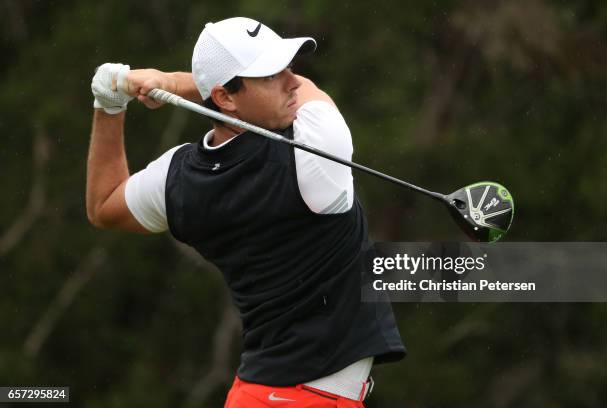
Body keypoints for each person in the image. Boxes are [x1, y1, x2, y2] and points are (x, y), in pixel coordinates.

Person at [87, 17, 405, 407]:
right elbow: (309, 89)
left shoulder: (177, 180)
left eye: (288, 67)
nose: (292, 80)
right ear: (224, 98)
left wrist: (108, 104)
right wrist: (172, 80)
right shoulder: (317, 153)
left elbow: (103, 204)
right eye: (271, 74)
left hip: (257, 393)